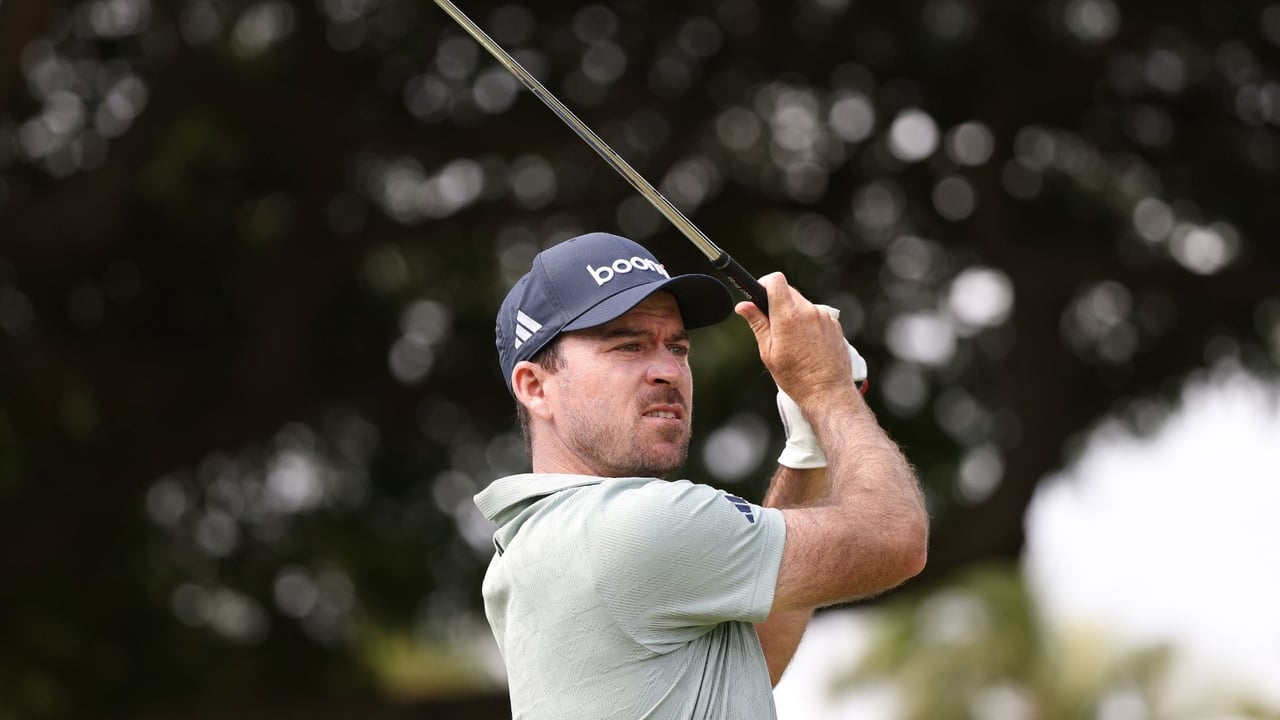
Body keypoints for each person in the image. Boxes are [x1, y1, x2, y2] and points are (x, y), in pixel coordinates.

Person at [475, 231, 928, 718]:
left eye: (678, 347)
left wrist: (807, 448)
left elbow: (744, 665)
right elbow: (894, 537)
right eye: (629, 346)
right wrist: (827, 389)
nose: (669, 371)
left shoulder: (530, 545)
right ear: (535, 387)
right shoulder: (633, 524)